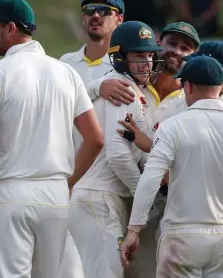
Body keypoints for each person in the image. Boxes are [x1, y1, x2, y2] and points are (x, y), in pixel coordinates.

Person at [0, 0, 104, 278]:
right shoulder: (66, 72)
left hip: (12, 193)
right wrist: (67, 182)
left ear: (10, 29)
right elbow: (95, 140)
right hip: (55, 194)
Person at [119, 55, 223, 277]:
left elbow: (151, 178)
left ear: (188, 86)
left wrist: (133, 229)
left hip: (183, 237)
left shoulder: (173, 126)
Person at [68, 21, 163, 278]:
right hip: (98, 199)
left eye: (150, 55)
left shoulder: (126, 86)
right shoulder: (122, 88)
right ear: (120, 58)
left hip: (101, 198)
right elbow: (118, 154)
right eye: (138, 56)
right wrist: (146, 197)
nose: (147, 62)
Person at [58, 0, 125, 278]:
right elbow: (54, 103)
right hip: (64, 184)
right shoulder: (65, 63)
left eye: (104, 11)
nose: (95, 16)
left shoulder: (126, 65)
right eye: (89, 10)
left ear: (119, 19)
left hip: (106, 187)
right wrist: (97, 88)